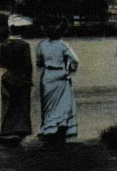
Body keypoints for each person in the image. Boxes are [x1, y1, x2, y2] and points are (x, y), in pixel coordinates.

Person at [36, 17, 79, 147]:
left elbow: (39, 63)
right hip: (61, 75)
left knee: (48, 107)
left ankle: (49, 133)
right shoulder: (63, 45)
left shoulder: (42, 45)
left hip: (48, 76)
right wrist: (70, 72)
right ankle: (60, 134)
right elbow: (75, 60)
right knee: (62, 106)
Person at [0, 15, 33, 145]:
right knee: (21, 104)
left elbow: (0, 63)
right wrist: (28, 79)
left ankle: (6, 130)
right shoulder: (24, 45)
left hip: (9, 76)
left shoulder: (4, 45)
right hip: (21, 77)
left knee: (7, 103)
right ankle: (20, 129)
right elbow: (28, 65)